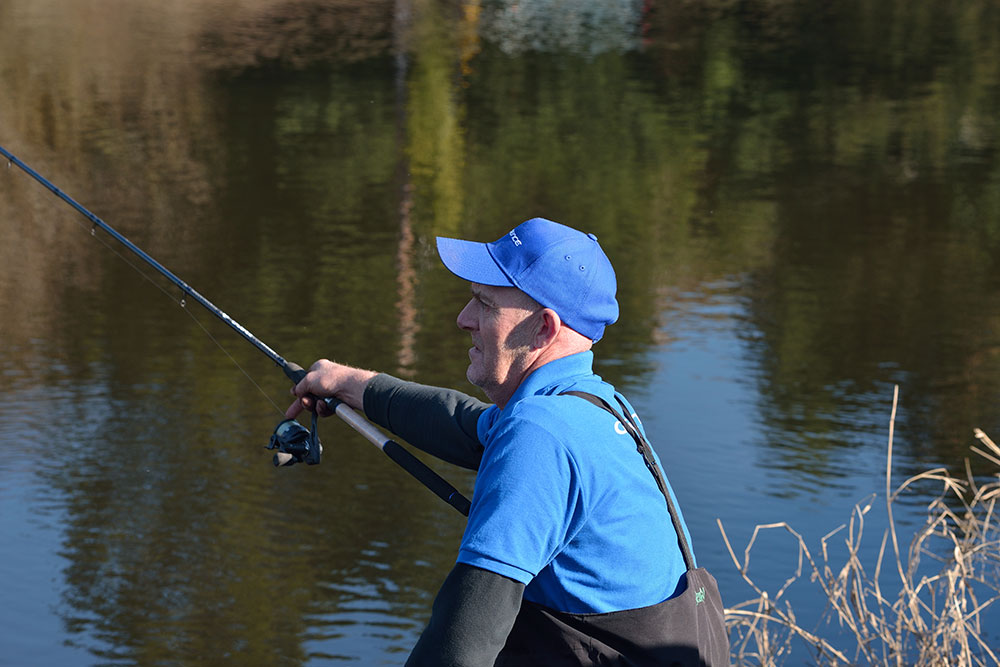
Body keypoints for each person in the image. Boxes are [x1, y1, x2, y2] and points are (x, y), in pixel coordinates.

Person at [286, 217, 728, 666]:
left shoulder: (542, 435)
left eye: (485, 304)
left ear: (543, 329)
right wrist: (349, 384)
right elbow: (463, 425)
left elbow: (461, 643)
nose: (463, 319)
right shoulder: (594, 405)